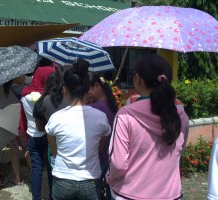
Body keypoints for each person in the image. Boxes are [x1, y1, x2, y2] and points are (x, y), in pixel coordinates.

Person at [106, 54, 189, 200]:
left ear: (137, 79)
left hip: (129, 195)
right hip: (171, 195)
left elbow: (118, 164)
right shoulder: (181, 116)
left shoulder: (125, 115)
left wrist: (110, 178)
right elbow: (178, 152)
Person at [45, 59, 111, 200]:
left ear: (64, 89)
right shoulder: (101, 117)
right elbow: (100, 148)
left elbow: (54, 152)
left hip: (63, 179)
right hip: (91, 180)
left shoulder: (56, 118)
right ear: (87, 88)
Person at [19, 66, 55, 200]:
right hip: (47, 137)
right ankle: (52, 196)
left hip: (32, 136)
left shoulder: (24, 94)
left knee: (36, 170)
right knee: (51, 168)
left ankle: (36, 197)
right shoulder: (48, 98)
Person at [85, 72, 118, 200]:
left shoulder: (94, 108)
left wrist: (84, 104)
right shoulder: (110, 104)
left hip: (97, 159)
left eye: (87, 90)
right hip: (108, 158)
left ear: (96, 86)